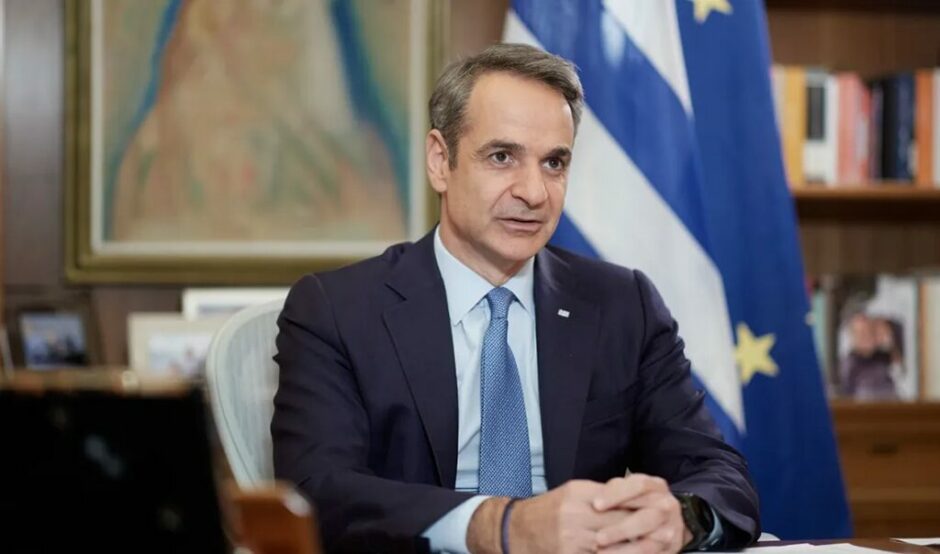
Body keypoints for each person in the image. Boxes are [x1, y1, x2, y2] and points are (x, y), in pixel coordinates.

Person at [272, 43, 760, 553]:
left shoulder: (623, 305)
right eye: (502, 157)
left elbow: (719, 473)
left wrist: (682, 518)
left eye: (554, 163)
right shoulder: (336, 311)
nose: (534, 191)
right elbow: (316, 492)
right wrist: (498, 526)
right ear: (440, 161)